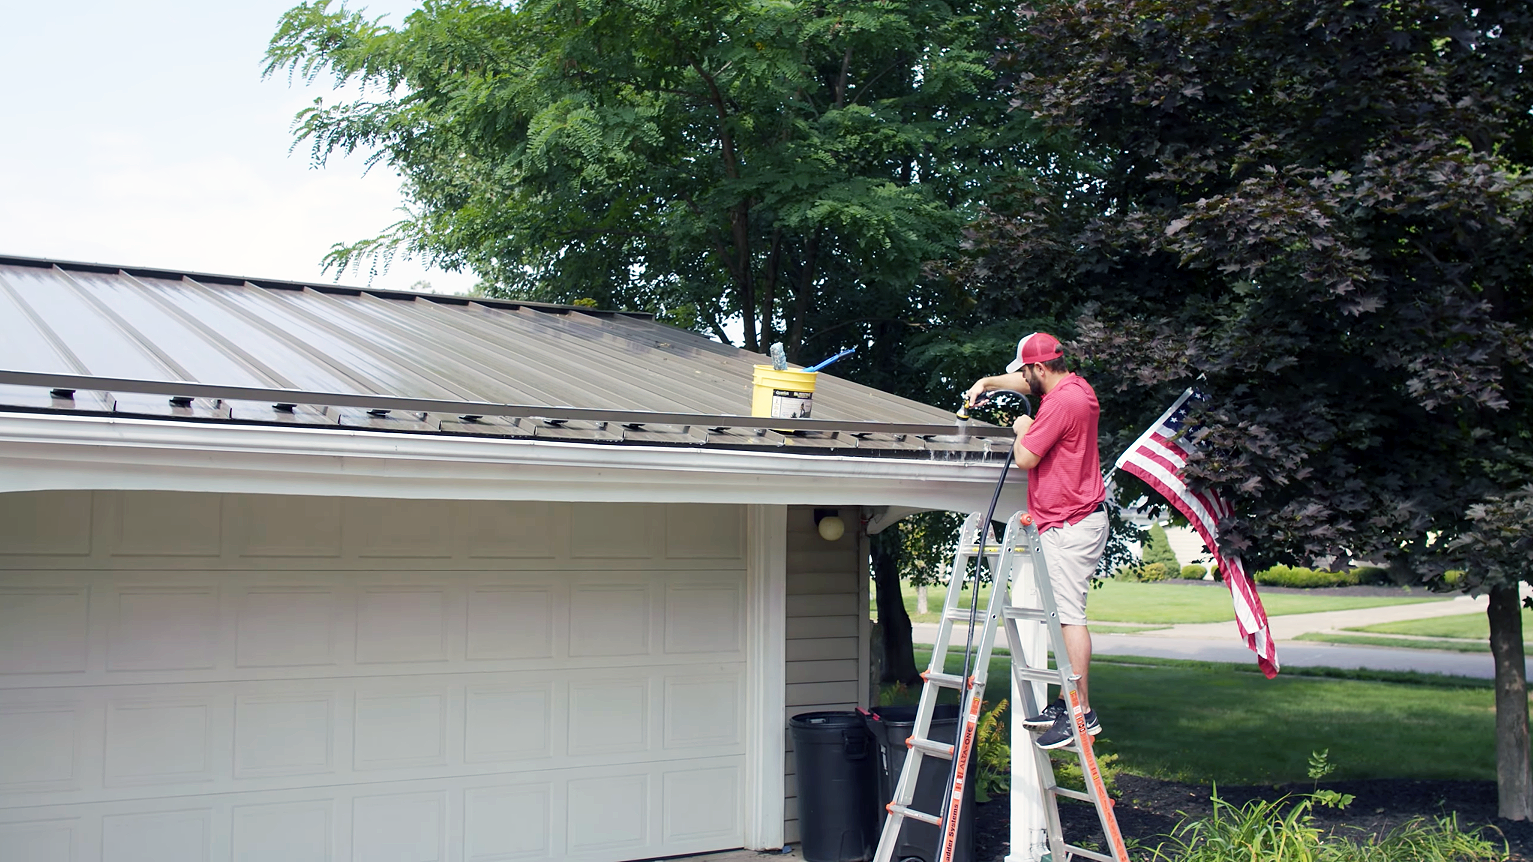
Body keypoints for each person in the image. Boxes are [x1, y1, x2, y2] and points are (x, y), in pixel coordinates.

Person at [966, 331, 1108, 750]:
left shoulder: (1061, 404)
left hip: (1070, 524)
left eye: (1026, 371)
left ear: (1040, 368)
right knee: (1062, 614)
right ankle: (1069, 703)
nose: (1024, 380)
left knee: (1068, 617)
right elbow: (1027, 386)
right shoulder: (1074, 387)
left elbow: (1026, 456)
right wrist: (989, 384)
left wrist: (1022, 426)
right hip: (1070, 520)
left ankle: (1079, 710)